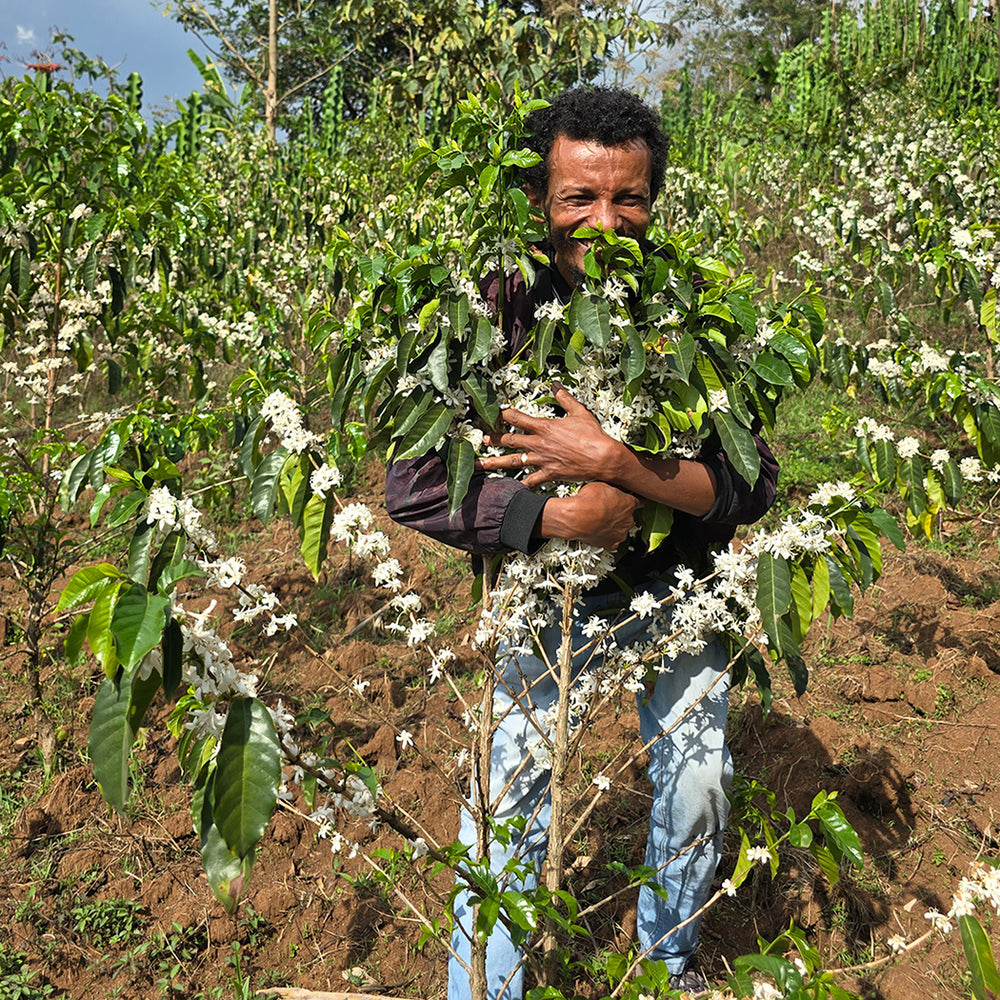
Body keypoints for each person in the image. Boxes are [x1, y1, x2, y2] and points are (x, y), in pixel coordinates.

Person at [386, 86, 779, 1000]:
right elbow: (413, 483)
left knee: (699, 785)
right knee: (505, 810)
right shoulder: (491, 309)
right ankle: (486, 988)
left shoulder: (687, 311)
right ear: (538, 200)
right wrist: (559, 517)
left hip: (679, 590)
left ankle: (667, 965)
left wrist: (618, 466)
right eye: (579, 198)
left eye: (628, 198)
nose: (604, 222)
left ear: (654, 200)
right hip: (544, 595)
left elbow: (750, 482)